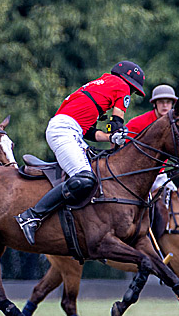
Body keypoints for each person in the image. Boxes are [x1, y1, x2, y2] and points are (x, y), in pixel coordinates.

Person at [14, 61, 146, 244]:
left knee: (98, 166)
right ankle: (31, 216)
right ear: (128, 81)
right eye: (133, 90)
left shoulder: (101, 86)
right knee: (85, 178)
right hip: (64, 131)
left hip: (71, 131)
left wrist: (111, 138)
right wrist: (118, 134)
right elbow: (117, 121)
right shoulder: (121, 85)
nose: (131, 93)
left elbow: (90, 131)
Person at [124, 83, 179, 194]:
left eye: (168, 102)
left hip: (159, 174)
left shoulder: (175, 125)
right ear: (155, 104)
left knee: (174, 198)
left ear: (172, 105)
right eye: (161, 102)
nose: (165, 105)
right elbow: (123, 148)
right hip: (137, 174)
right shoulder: (138, 123)